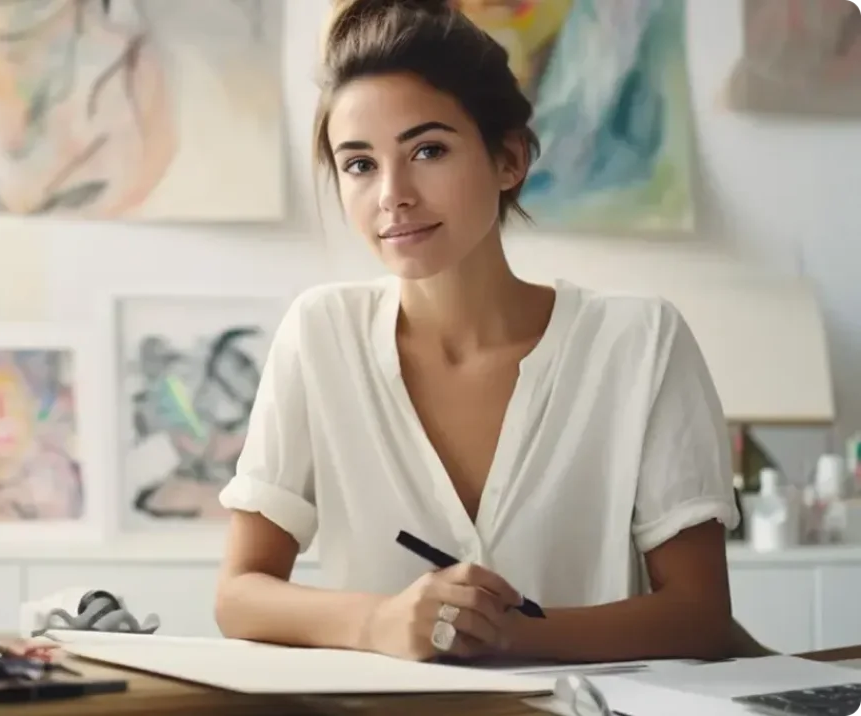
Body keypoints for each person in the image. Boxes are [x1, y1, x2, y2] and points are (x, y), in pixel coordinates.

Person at [214, 0, 756, 664]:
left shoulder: (640, 343)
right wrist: (379, 622)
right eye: (359, 164)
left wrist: (509, 635)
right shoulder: (320, 333)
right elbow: (239, 595)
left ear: (509, 159)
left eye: (428, 150)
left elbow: (699, 615)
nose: (392, 194)